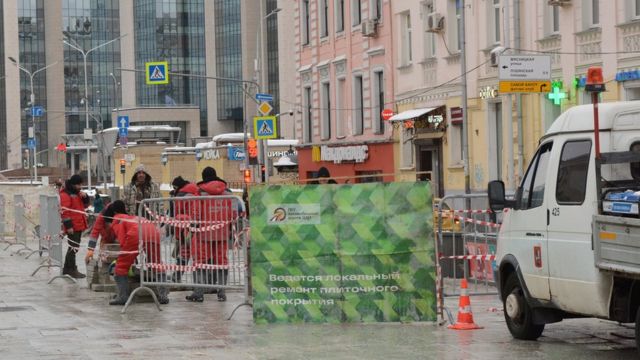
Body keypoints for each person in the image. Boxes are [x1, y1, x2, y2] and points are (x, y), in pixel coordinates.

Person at [108, 203, 169, 305]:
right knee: (157, 264)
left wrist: (126, 258)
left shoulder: (117, 219)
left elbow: (123, 242)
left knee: (121, 266)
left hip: (136, 233)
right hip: (153, 232)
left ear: (113, 213)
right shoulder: (134, 216)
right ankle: (163, 296)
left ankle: (123, 297)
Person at [186, 167, 231, 302]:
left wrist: (193, 227)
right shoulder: (227, 192)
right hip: (222, 232)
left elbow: (196, 213)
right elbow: (234, 212)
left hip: (204, 233)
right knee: (221, 261)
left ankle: (199, 292)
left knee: (201, 261)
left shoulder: (200, 193)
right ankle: (222, 292)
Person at [169, 176, 200, 283]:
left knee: (184, 254)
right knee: (199, 256)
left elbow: (178, 216)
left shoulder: (181, 195)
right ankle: (201, 282)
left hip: (185, 230)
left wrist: (177, 237)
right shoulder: (196, 190)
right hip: (199, 227)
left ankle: (176, 277)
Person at [59, 174, 90, 279]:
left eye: (81, 184)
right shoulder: (66, 194)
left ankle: (68, 269)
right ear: (73, 184)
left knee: (74, 247)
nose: (80, 187)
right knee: (73, 247)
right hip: (73, 226)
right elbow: (65, 211)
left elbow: (84, 206)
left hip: (78, 224)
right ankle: (71, 269)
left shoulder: (76, 193)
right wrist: (69, 226)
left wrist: (85, 198)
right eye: (78, 184)